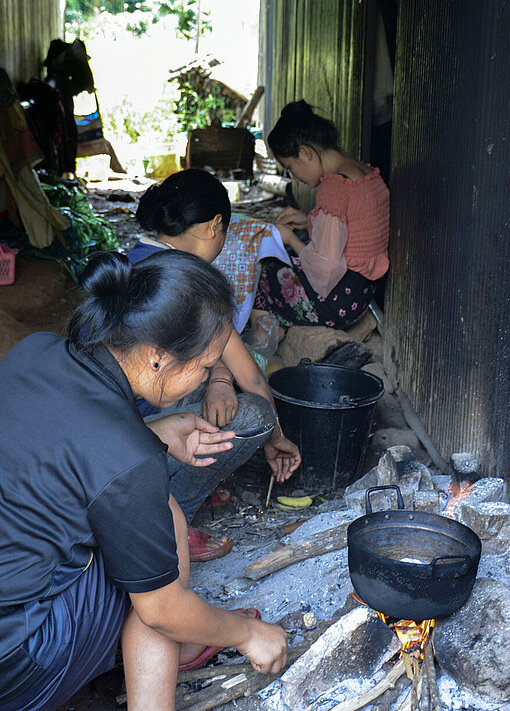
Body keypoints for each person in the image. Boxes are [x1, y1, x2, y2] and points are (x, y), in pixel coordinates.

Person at [0, 250, 288, 711]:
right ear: (157, 356)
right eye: (204, 366)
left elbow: (58, 446)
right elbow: (161, 609)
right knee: (161, 584)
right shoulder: (130, 463)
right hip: (18, 657)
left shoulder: (37, 350)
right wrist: (248, 634)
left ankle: (186, 643)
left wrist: (149, 435)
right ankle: (172, 669)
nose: (204, 379)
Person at [131, 170, 301, 560]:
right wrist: (276, 441)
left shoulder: (129, 261)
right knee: (254, 412)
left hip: (103, 436)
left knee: (203, 385)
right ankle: (175, 516)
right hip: (139, 446)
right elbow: (254, 381)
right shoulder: (197, 286)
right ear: (214, 226)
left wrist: (218, 377)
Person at [253, 99, 390, 330]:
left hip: (336, 305)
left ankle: (265, 337)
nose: (294, 177)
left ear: (305, 153)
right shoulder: (365, 173)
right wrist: (309, 222)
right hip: (362, 295)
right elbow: (354, 229)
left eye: (289, 167)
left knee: (262, 271)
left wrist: (291, 239)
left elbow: (324, 271)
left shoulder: (333, 189)